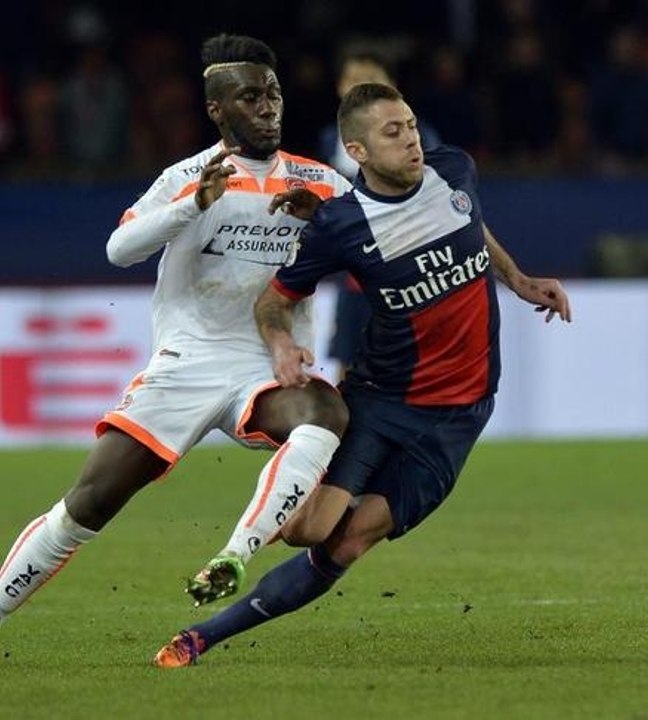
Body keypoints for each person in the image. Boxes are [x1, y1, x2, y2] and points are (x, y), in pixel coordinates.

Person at [152, 81, 571, 667]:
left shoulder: (455, 170)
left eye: (412, 126)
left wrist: (520, 280)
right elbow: (274, 302)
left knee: (350, 538)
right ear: (359, 151)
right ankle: (268, 506)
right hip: (381, 400)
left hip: (458, 417)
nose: (412, 142)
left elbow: (472, 222)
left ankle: (203, 635)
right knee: (307, 529)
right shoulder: (341, 225)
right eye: (393, 132)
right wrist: (280, 345)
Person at [0, 34, 353, 625]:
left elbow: (374, 249)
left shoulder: (320, 181)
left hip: (268, 366)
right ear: (217, 109)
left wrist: (328, 221)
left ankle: (234, 556)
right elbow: (119, 250)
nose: (267, 107)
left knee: (327, 413)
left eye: (272, 94)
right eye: (248, 97)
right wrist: (193, 205)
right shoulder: (186, 176)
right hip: (188, 362)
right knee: (90, 503)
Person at [319, 52, 441, 382]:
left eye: (372, 80)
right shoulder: (331, 139)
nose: (362, 89)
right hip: (355, 269)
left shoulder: (418, 137)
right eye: (354, 81)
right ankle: (343, 430)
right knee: (348, 358)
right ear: (341, 88)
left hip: (404, 264)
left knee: (411, 361)